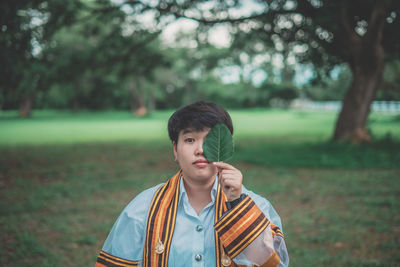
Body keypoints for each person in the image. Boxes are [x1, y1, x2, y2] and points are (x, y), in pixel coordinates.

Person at [95, 101, 289, 267]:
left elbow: (269, 264)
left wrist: (236, 204)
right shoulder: (142, 209)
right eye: (189, 140)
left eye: (210, 140)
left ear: (225, 146)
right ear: (175, 149)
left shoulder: (256, 206)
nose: (200, 150)